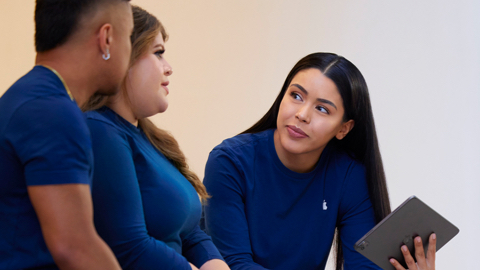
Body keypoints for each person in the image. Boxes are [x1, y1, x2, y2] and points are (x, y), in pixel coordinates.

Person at [202, 52, 436, 270]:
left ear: (344, 128)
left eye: (322, 109)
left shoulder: (348, 175)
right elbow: (234, 264)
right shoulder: (229, 162)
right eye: (295, 96)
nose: (302, 115)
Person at [82, 6, 230, 270]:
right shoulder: (100, 131)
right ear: (124, 57)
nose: (169, 68)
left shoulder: (150, 138)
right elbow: (129, 247)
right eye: (158, 53)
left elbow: (191, 234)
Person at [0, 0, 133, 269]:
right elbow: (74, 248)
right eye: (129, 36)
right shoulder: (53, 113)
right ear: (106, 38)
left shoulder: (29, 96)